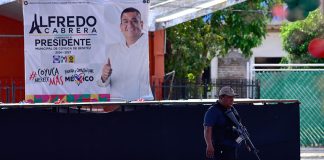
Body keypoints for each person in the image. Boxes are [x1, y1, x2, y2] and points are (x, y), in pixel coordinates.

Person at [97, 7, 153, 101]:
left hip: (141, 105)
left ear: (142, 24)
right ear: (121, 27)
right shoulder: (112, 49)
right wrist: (104, 76)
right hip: (116, 106)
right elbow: (101, 83)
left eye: (134, 21)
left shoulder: (150, 46)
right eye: (125, 21)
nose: (130, 25)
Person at [203, 86, 241, 160]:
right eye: (229, 97)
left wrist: (244, 139)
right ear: (221, 97)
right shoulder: (213, 111)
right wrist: (209, 145)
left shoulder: (232, 109)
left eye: (233, 97)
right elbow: (207, 129)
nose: (232, 100)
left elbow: (239, 125)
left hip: (232, 147)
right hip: (220, 148)